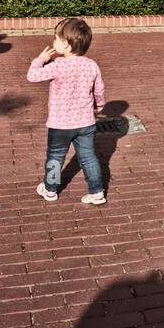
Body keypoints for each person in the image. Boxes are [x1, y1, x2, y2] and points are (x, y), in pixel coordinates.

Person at [28, 17, 107, 205]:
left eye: (56, 38)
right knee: (88, 157)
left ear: (66, 44)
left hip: (60, 124)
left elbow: (32, 76)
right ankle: (96, 192)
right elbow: (99, 89)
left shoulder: (57, 66)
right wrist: (100, 105)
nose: (53, 42)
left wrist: (40, 60)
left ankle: (50, 189)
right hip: (86, 122)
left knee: (55, 157)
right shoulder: (91, 65)